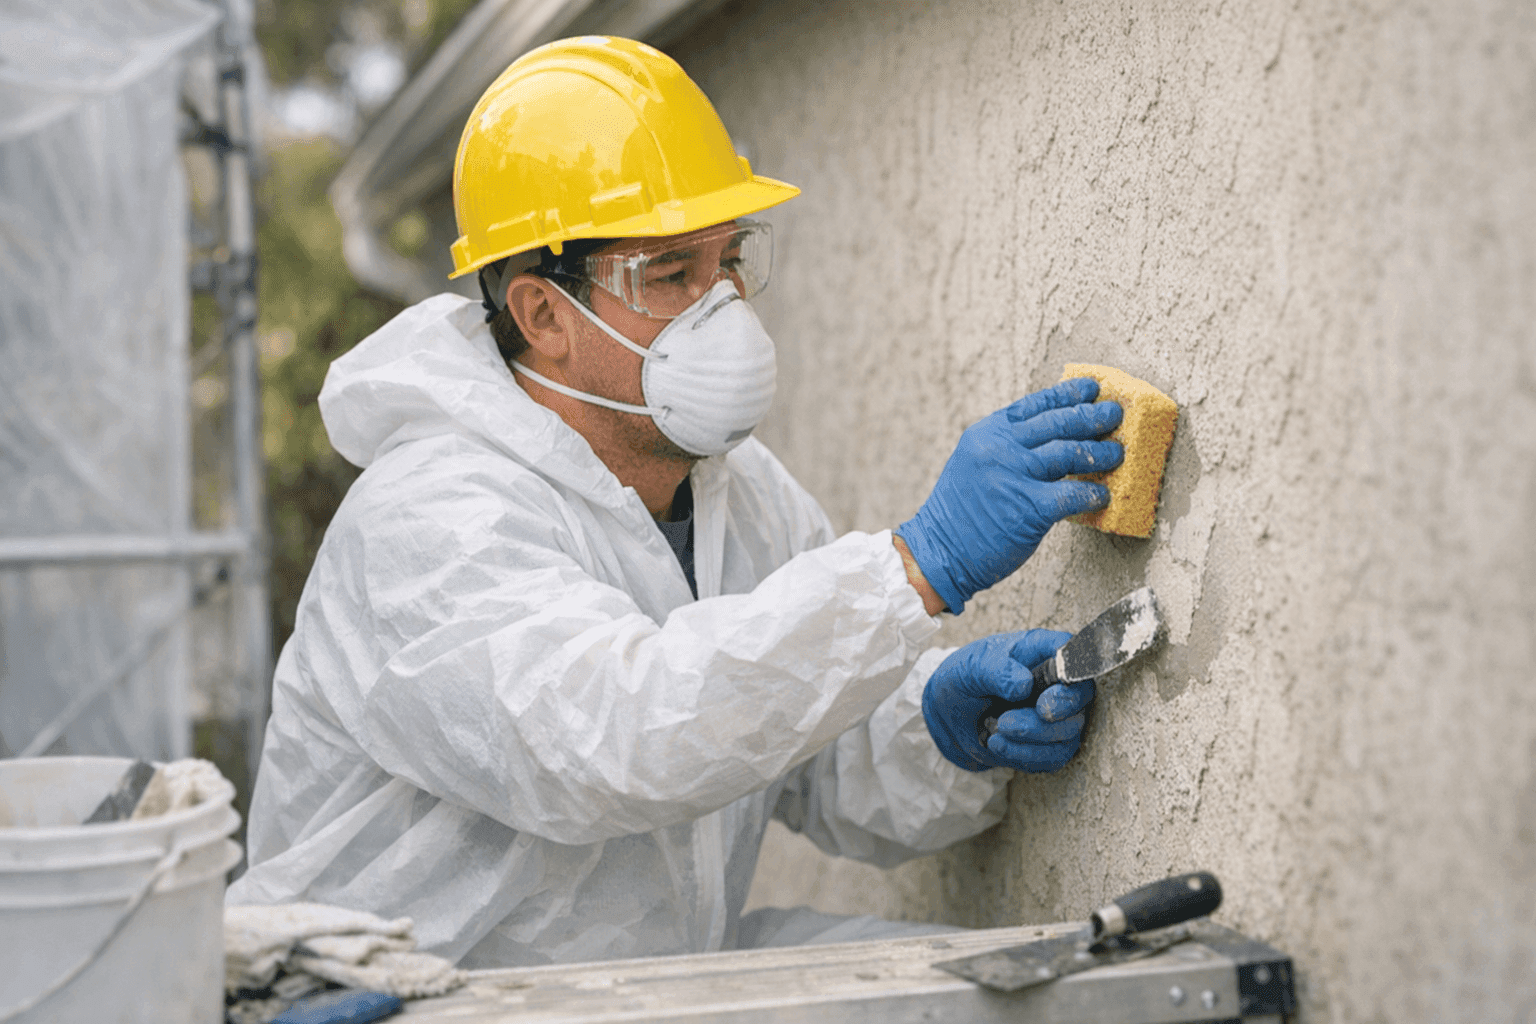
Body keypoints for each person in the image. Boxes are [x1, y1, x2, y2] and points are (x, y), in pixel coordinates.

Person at [227, 36, 1124, 968]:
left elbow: (789, 737)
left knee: (997, 984)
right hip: (409, 1000)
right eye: (670, 277)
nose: (724, 306)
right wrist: (915, 568)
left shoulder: (741, 492)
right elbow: (615, 738)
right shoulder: (427, 518)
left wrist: (935, 727)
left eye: (729, 260)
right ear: (543, 316)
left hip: (613, 986)